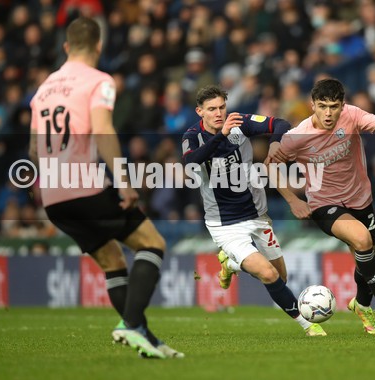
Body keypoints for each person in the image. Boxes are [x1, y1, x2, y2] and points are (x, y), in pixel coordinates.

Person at [28, 17, 182, 359]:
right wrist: (124, 184)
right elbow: (103, 131)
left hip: (54, 197)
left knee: (113, 261)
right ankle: (130, 326)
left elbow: (34, 151)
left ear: (66, 47)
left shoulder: (43, 90)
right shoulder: (99, 81)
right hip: (85, 187)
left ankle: (145, 339)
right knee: (152, 244)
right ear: (99, 46)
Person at [272, 78, 375, 334]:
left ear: (342, 105)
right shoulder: (297, 137)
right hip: (323, 203)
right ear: (312, 105)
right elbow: (270, 165)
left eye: (334, 106)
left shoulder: (351, 115)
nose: (328, 113)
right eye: (323, 106)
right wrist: (293, 200)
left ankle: (361, 305)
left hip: (360, 197)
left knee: (365, 254)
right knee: (362, 240)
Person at [182, 85, 326, 337]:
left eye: (222, 107)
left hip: (257, 215)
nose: (219, 113)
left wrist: (274, 144)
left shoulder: (240, 123)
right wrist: (221, 135)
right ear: (200, 112)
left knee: (280, 276)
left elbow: (280, 123)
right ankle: (308, 325)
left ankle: (232, 265)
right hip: (225, 225)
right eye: (212, 109)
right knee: (268, 273)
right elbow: (191, 162)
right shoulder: (192, 136)